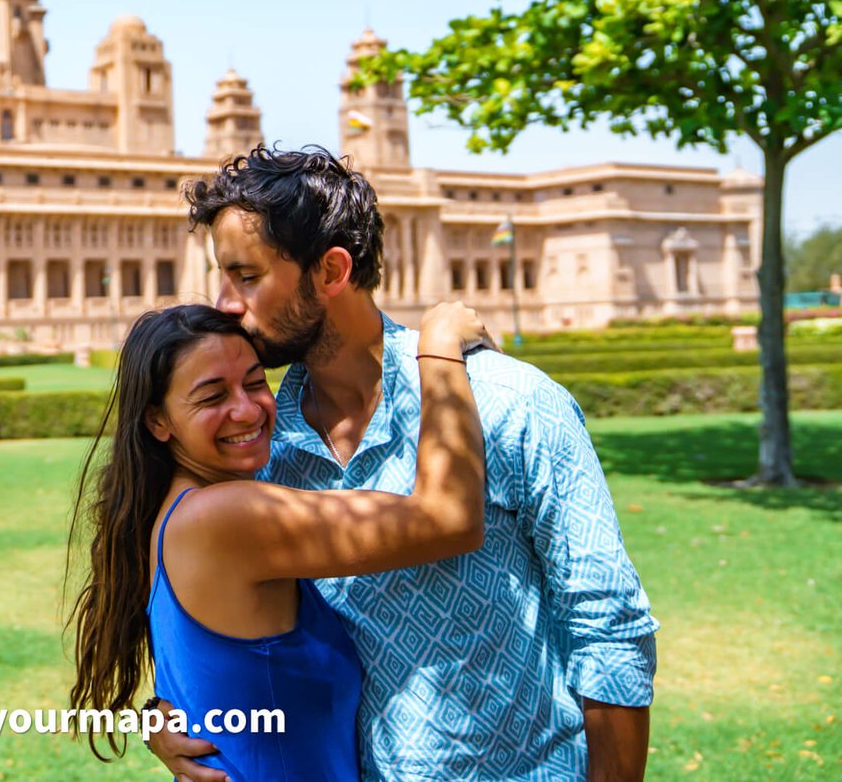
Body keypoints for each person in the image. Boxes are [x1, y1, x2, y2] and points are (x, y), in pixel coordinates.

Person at [146, 146, 656, 781]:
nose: (225, 302)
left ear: (331, 271)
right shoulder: (259, 448)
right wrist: (169, 714)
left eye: (245, 277)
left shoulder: (510, 402)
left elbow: (609, 630)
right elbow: (215, 625)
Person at [68, 300, 491, 779]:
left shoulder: (174, 510)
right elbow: (449, 518)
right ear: (157, 421)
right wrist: (436, 347)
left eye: (254, 383)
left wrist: (156, 716)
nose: (247, 410)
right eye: (211, 397)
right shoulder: (224, 517)